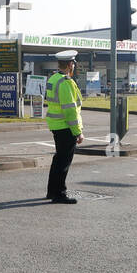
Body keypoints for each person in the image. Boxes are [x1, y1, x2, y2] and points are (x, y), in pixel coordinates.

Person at [45, 50, 84, 203]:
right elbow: (70, 110)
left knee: (58, 159)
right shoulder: (65, 82)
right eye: (73, 64)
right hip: (65, 127)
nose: (74, 66)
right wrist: (78, 132)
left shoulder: (54, 78)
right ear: (70, 65)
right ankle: (59, 193)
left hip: (56, 125)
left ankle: (51, 191)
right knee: (63, 162)